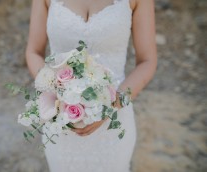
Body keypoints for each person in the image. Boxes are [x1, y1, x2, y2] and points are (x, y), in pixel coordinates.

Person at [25, 0, 157, 171]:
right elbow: (33, 51)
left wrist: (111, 104)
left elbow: (147, 61)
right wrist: (56, 89)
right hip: (61, 116)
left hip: (114, 119)